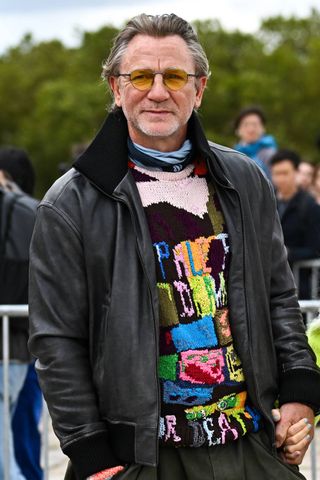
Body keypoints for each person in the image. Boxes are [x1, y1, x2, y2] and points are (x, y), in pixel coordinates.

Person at [28, 13, 320, 480]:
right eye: (141, 76)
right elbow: (56, 341)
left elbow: (279, 298)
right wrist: (90, 453)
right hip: (140, 459)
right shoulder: (69, 204)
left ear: (199, 89)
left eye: (176, 76)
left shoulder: (244, 178)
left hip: (251, 445)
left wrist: (301, 394)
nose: (158, 91)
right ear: (115, 88)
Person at [0, 146, 43, 480]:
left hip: (16, 341)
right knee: (21, 427)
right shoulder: (32, 211)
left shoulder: (20, 212)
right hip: (24, 342)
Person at [270, 149, 320, 299]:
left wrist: (288, 252)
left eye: (285, 173)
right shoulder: (268, 203)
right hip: (271, 284)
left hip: (301, 286)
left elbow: (315, 249)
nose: (280, 179)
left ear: (297, 173)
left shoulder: (310, 206)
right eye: (276, 173)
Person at [234, 106, 277, 178]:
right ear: (238, 130)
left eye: (255, 125)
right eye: (246, 125)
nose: (251, 129)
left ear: (263, 128)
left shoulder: (271, 154)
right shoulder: (233, 154)